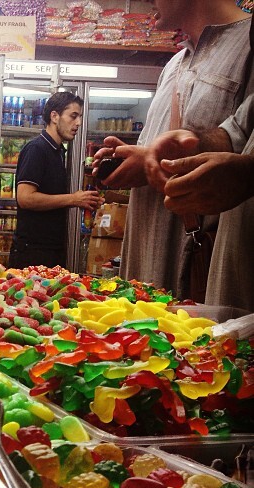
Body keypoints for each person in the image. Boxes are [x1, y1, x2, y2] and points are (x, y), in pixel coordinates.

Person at [92, 0, 252, 300]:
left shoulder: (247, 47)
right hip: (147, 272)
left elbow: (239, 150)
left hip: (199, 277)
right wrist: (141, 160)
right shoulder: (174, 64)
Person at [141, 92, 254, 310]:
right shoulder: (172, 67)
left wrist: (248, 174)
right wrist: (195, 147)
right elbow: (239, 130)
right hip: (236, 266)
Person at [8, 91, 102, 269]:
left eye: (80, 117)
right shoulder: (37, 149)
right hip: (32, 253)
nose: (78, 123)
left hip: (50, 250)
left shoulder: (58, 152)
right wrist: (74, 199)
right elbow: (25, 198)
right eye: (73, 116)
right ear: (54, 116)